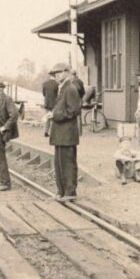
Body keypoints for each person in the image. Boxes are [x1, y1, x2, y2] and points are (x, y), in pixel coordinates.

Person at [48, 62, 82, 200]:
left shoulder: (71, 88)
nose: (55, 76)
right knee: (59, 163)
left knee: (67, 163)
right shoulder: (63, 88)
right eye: (54, 74)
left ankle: (70, 192)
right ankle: (61, 191)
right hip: (61, 134)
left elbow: (73, 111)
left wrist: (55, 115)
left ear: (66, 72)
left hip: (67, 134)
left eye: (58, 73)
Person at [42, 72, 59, 137]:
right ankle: (53, 132)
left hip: (47, 103)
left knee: (47, 117)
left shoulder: (45, 83)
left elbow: (44, 94)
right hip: (54, 103)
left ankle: (46, 132)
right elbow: (57, 94)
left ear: (49, 75)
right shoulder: (57, 84)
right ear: (55, 76)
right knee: (54, 117)